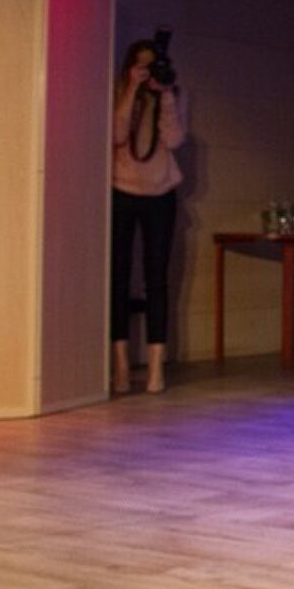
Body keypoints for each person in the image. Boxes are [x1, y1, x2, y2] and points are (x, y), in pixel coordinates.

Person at [110, 40, 187, 395]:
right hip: (121, 190)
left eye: (152, 66)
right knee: (118, 277)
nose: (148, 72)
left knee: (157, 279)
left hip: (161, 194)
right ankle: (121, 366)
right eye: (141, 66)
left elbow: (175, 140)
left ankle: (156, 368)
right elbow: (116, 134)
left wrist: (165, 94)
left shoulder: (171, 93)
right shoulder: (119, 91)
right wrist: (131, 89)